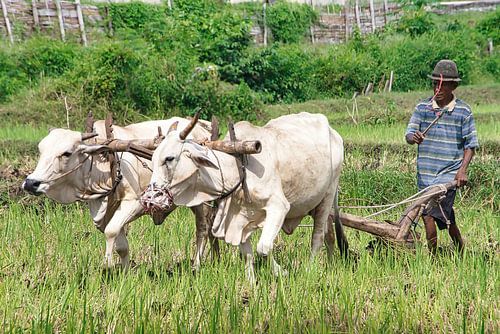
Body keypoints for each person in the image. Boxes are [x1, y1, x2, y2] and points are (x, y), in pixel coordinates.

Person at [405, 59, 478, 255]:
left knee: (429, 214)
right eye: (435, 83)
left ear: (453, 86)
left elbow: (470, 144)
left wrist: (461, 171)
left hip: (448, 175)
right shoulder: (422, 108)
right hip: (425, 175)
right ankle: (460, 249)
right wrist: (415, 137)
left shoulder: (463, 111)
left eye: (443, 84)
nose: (438, 88)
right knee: (446, 217)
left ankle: (434, 258)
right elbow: (409, 135)